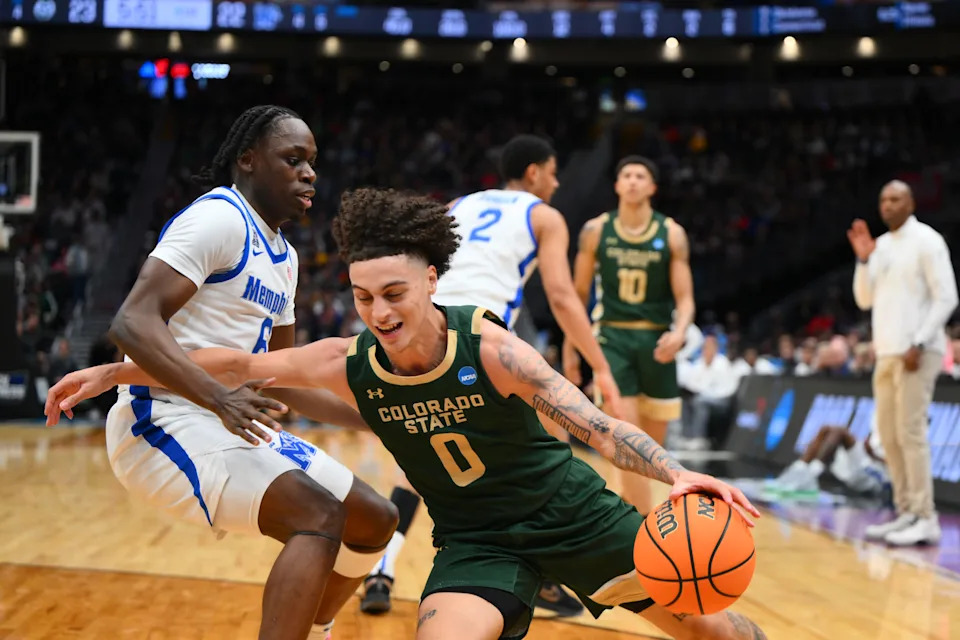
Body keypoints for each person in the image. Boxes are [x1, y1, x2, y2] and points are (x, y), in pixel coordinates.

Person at [49, 188, 767, 640]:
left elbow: (597, 426)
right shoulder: (349, 359)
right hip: (477, 543)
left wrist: (675, 475)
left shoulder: (492, 349)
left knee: (716, 632)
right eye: (363, 298)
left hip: (573, 517)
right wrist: (114, 371)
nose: (379, 313)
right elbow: (233, 363)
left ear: (431, 278)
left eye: (394, 294)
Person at [47, 106, 398, 640]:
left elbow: (284, 378)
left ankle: (315, 629)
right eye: (293, 159)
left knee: (374, 519)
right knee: (318, 516)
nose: (309, 173)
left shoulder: (285, 257)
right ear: (248, 160)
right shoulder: (219, 218)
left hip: (229, 416)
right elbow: (133, 321)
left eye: (312, 162)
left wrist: (384, 419)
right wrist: (218, 398)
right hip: (161, 420)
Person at [362, 134, 623, 617]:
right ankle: (543, 565)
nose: (556, 183)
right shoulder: (544, 216)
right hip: (478, 334)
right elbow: (561, 296)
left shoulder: (460, 204)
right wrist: (600, 366)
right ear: (533, 173)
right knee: (541, 448)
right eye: (552, 173)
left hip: (424, 320)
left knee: (418, 460)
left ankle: (382, 568)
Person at [567, 156, 695, 514]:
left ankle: (631, 510)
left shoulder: (671, 233)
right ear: (617, 185)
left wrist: (680, 332)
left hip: (657, 343)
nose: (633, 181)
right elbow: (576, 296)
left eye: (641, 176)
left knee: (653, 450)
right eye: (627, 175)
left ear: (652, 187)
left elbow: (686, 300)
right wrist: (571, 350)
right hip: (611, 340)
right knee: (626, 437)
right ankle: (642, 525)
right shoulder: (596, 230)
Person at [848, 180, 958, 546]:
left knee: (910, 433)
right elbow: (864, 300)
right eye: (884, 199)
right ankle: (906, 510)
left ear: (911, 203)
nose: (888, 205)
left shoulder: (928, 240)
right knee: (889, 436)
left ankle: (925, 516)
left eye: (896, 199)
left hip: (917, 352)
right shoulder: (879, 247)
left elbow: (947, 297)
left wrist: (920, 340)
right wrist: (863, 260)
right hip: (887, 352)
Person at [773, 423, 889, 497]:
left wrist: (873, 455)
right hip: (865, 464)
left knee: (840, 431)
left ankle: (810, 474)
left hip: (876, 476)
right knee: (826, 429)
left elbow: (894, 465)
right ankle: (798, 469)